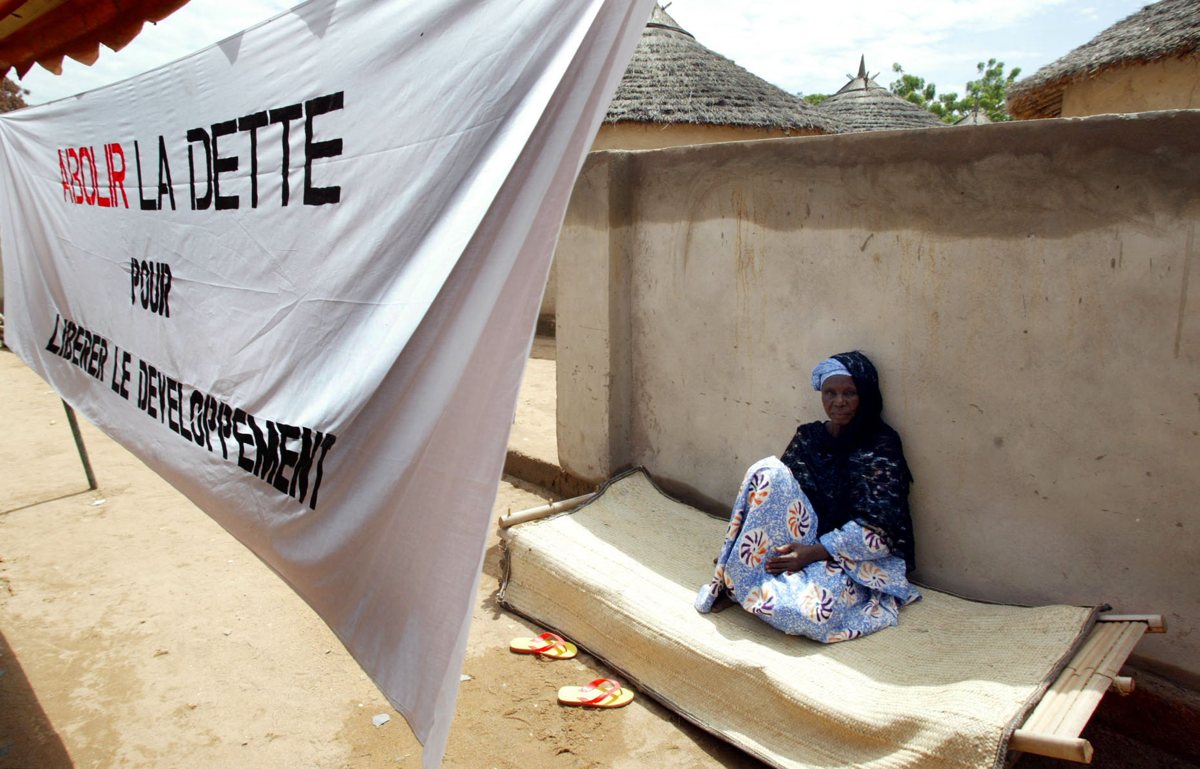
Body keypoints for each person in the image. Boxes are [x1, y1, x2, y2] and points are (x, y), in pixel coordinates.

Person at [694, 350, 919, 643]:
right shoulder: (809, 437)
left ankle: (745, 580)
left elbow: (882, 530)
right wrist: (792, 545)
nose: (838, 402)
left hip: (851, 559)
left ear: (865, 394)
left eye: (849, 393)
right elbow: (780, 497)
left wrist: (812, 553)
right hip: (805, 533)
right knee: (768, 471)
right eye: (830, 393)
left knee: (811, 613)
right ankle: (731, 574)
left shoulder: (881, 444)